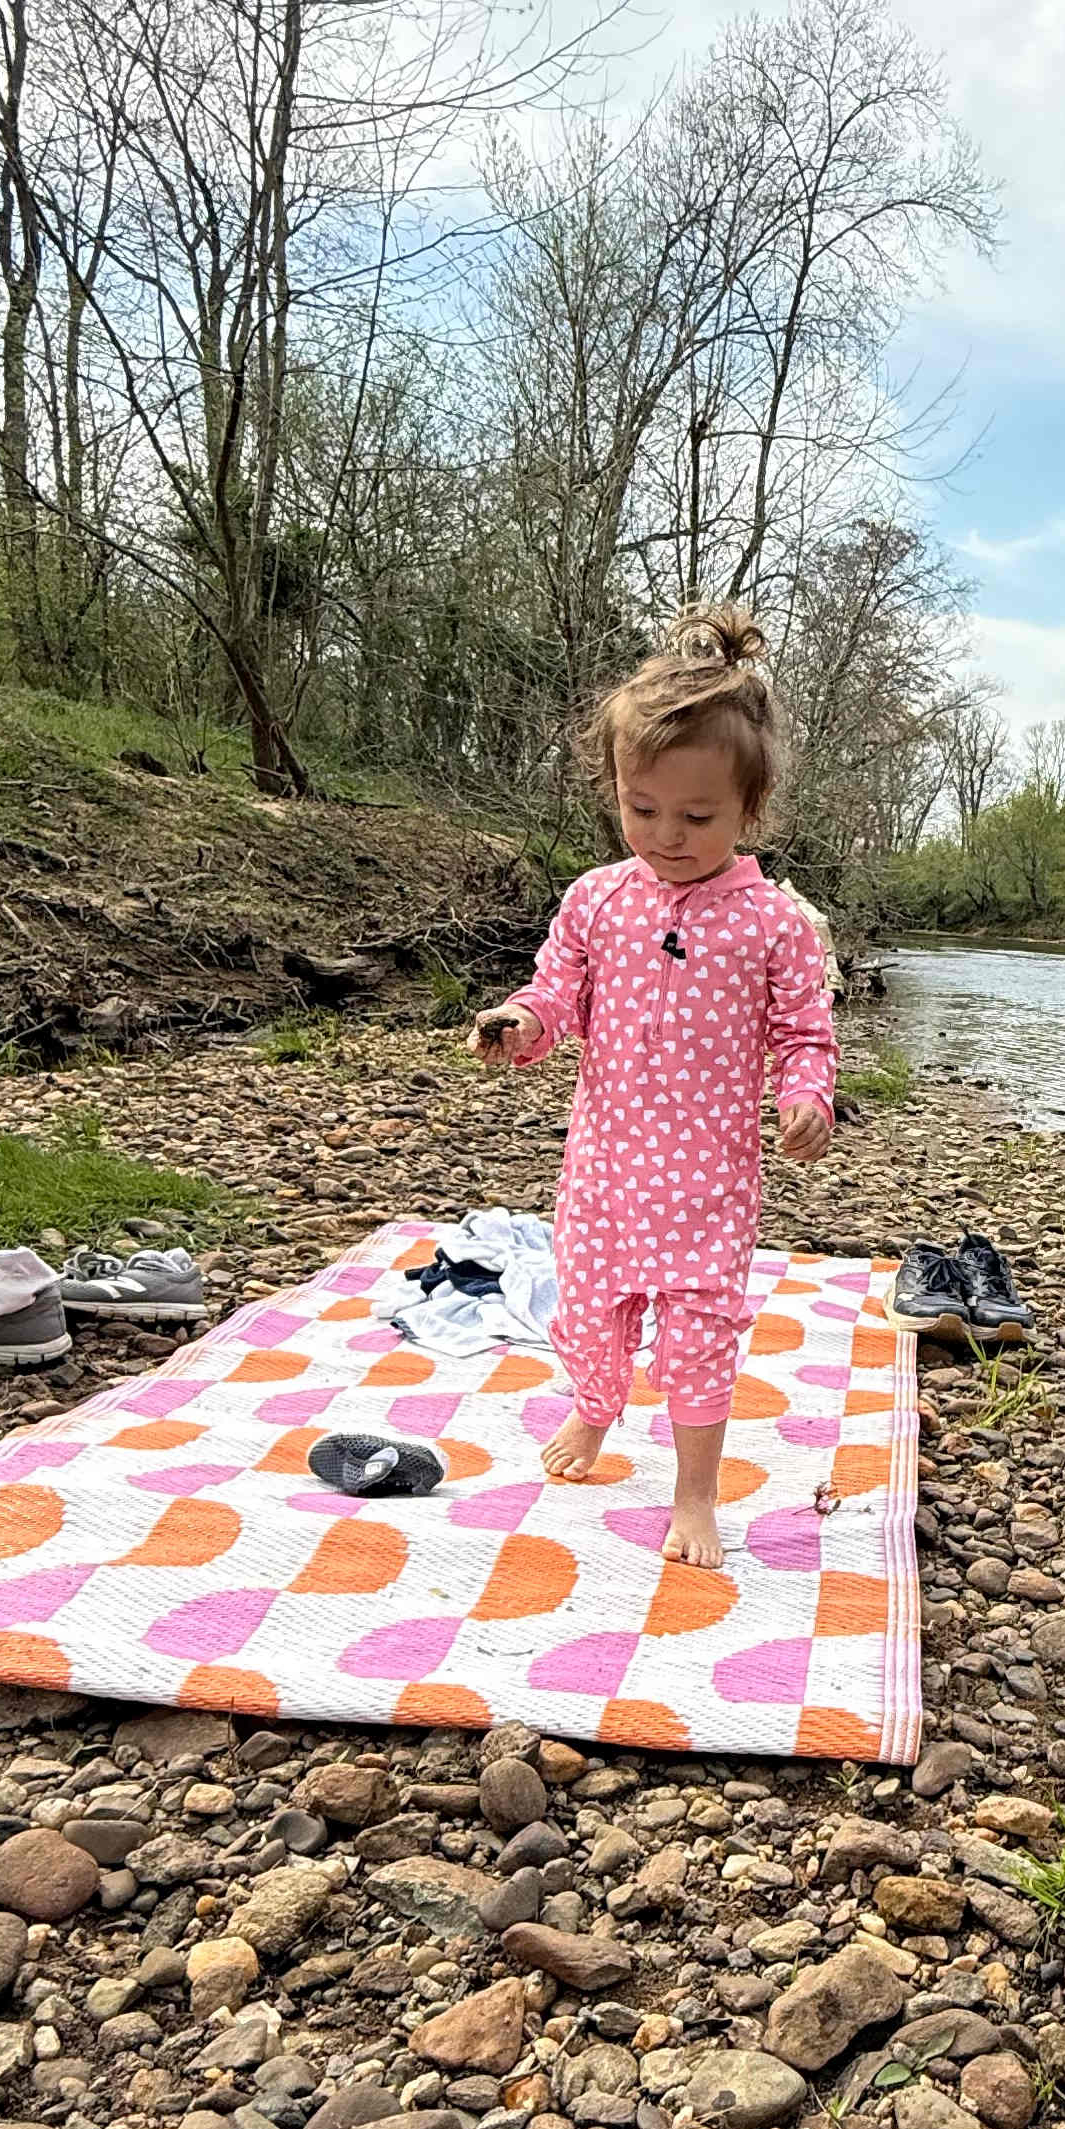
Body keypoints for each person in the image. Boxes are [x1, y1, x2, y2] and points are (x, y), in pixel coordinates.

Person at [470, 607, 837, 1566]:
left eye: (698, 817)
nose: (667, 836)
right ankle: (594, 1412)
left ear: (750, 812)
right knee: (590, 1312)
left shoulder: (774, 923)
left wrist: (807, 1095)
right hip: (603, 1168)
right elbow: (558, 994)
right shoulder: (596, 899)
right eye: (644, 809)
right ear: (617, 792)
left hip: (710, 1182)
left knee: (702, 1336)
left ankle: (695, 1495)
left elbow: (805, 1032)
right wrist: (521, 1024)